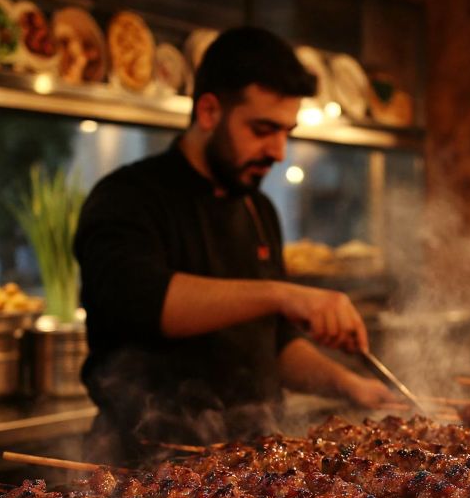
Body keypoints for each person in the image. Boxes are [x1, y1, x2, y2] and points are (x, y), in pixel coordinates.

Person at [75, 26, 393, 460]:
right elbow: (144, 302)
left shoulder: (256, 209)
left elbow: (273, 343)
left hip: (250, 469)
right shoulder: (127, 197)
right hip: (144, 468)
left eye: (286, 131)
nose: (279, 151)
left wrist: (350, 385)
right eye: (263, 129)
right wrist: (283, 295)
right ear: (209, 111)